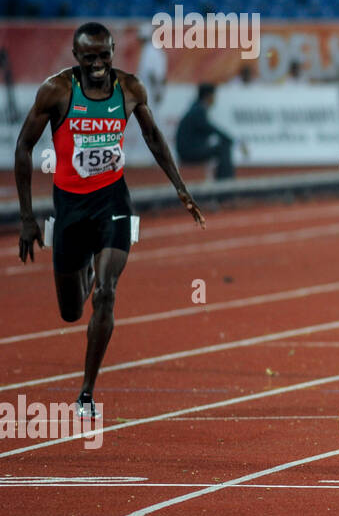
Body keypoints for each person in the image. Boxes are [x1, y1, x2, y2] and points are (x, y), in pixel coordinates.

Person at [14, 22, 205, 418]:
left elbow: (154, 137)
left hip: (113, 202)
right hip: (69, 207)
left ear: (114, 51)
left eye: (104, 55)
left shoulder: (130, 89)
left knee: (106, 293)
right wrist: (28, 218)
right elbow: (23, 147)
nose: (98, 64)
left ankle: (86, 393)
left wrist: (181, 188)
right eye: (90, 57)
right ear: (76, 57)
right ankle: (83, 265)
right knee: (70, 310)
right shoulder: (57, 91)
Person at [176, 83, 237, 180]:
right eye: (214, 96)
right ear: (208, 96)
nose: (215, 99)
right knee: (223, 148)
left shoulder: (196, 108)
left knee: (221, 146)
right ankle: (225, 182)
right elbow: (209, 128)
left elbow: (207, 129)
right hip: (188, 152)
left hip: (188, 150)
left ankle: (224, 180)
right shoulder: (199, 110)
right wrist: (228, 138)